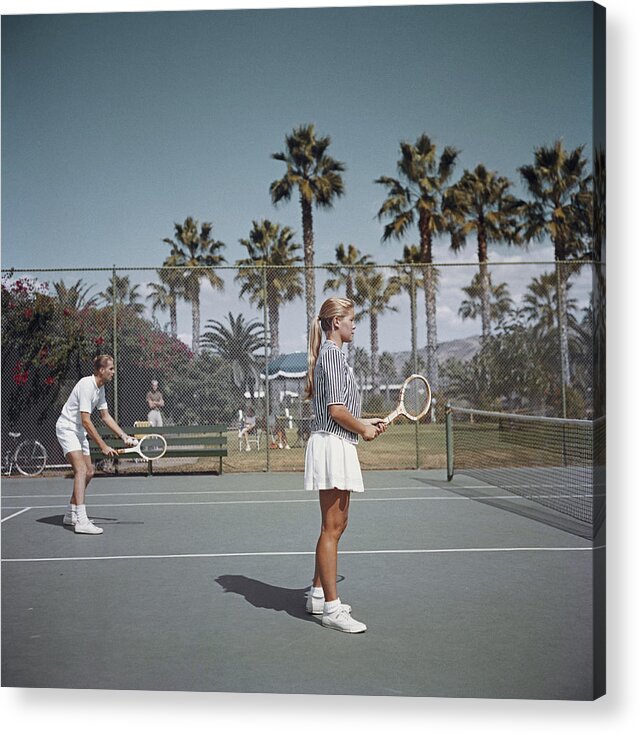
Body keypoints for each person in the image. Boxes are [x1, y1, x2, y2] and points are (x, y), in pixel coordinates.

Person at [304, 297, 386, 633]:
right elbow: (337, 411)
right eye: (351, 320)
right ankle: (332, 611)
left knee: (335, 525)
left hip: (336, 441)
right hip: (332, 445)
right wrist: (363, 428)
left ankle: (318, 594)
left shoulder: (332, 356)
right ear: (336, 321)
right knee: (332, 528)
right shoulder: (332, 357)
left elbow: (339, 411)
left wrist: (366, 421)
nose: (355, 325)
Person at [55, 354, 136, 535]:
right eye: (111, 369)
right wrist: (103, 446)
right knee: (81, 470)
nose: (113, 372)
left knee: (89, 471)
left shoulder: (100, 389)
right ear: (101, 370)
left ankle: (71, 513)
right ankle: (81, 521)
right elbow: (86, 420)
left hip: (78, 431)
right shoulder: (86, 385)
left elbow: (105, 416)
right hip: (67, 428)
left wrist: (124, 436)